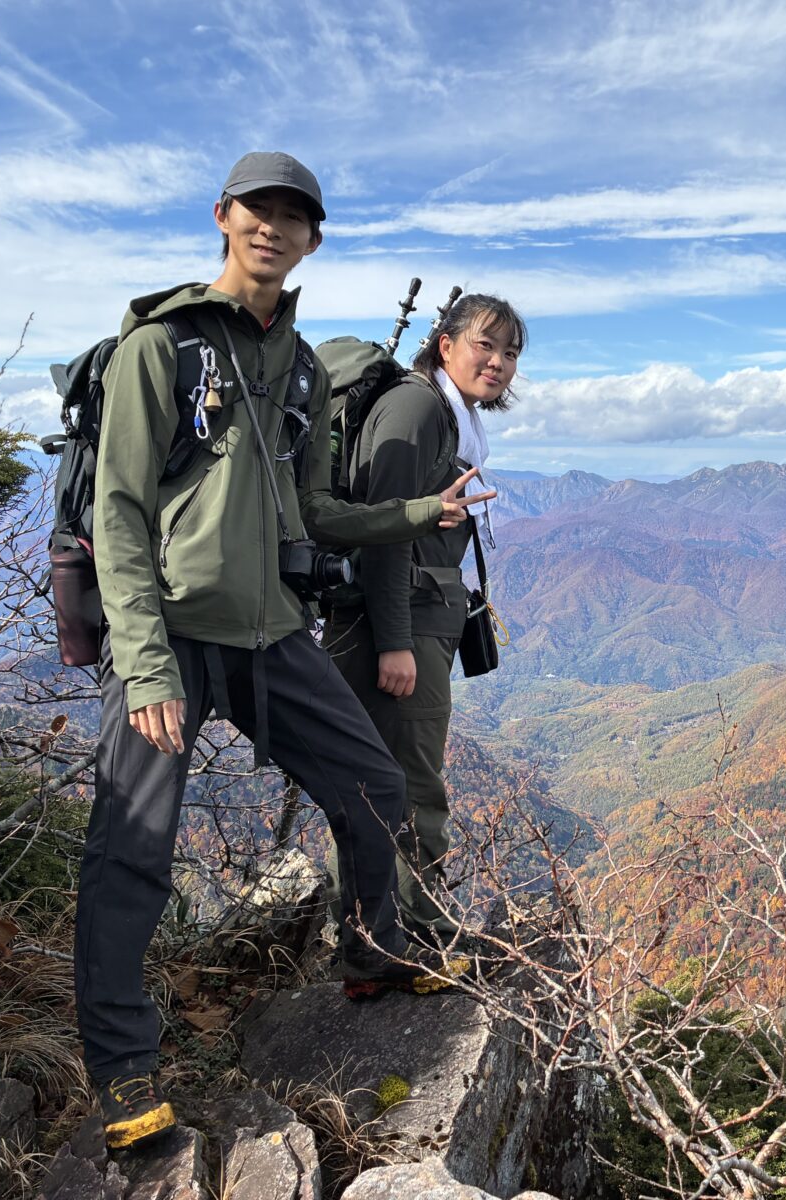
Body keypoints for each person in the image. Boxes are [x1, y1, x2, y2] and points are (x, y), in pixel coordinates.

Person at [77, 151, 496, 1151]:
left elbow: (311, 510)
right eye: (257, 210)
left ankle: (371, 951)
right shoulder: (163, 347)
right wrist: (139, 661)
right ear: (223, 218)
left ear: (313, 238)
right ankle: (123, 1074)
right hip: (170, 636)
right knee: (131, 851)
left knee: (371, 784)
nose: (273, 227)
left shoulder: (301, 367)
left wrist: (414, 510)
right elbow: (122, 510)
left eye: (293, 216)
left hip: (267, 632)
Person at [321, 294, 524, 956]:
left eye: (511, 353)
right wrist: (396, 643)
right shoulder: (417, 409)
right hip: (396, 624)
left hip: (419, 617)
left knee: (393, 780)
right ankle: (414, 934)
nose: (499, 362)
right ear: (445, 344)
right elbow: (381, 529)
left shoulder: (451, 418)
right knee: (407, 786)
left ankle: (378, 930)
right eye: (485, 345)